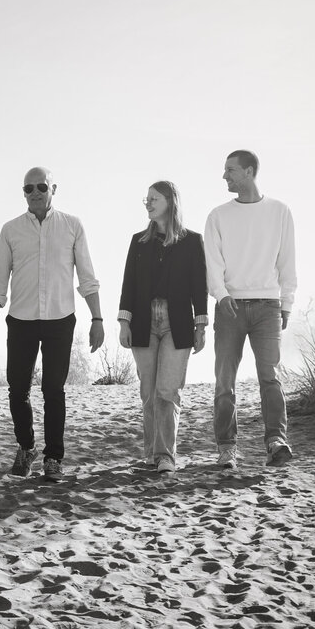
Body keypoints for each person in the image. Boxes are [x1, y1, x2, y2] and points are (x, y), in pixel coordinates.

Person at [0, 167, 103, 482]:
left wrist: (97, 319)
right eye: (28, 188)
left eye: (41, 187)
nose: (35, 193)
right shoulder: (10, 230)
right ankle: (27, 446)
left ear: (53, 189)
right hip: (21, 320)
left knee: (53, 390)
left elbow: (87, 278)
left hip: (61, 320)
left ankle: (53, 458)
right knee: (17, 389)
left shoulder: (72, 226)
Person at [203, 150, 297, 469]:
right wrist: (220, 294)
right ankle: (227, 447)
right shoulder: (218, 216)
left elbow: (287, 261)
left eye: (230, 170)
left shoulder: (279, 212)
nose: (225, 176)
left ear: (250, 171)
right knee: (224, 380)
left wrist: (287, 303)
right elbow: (212, 263)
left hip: (268, 306)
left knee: (269, 377)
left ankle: (276, 441)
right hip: (229, 307)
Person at [117, 181, 208, 474]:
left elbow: (199, 287)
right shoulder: (138, 241)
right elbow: (128, 284)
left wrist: (201, 326)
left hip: (177, 322)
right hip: (143, 321)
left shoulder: (192, 242)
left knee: (168, 391)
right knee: (149, 392)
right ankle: (152, 453)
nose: (148, 203)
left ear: (170, 201)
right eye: (146, 199)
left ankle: (165, 455)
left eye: (153, 198)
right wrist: (124, 322)